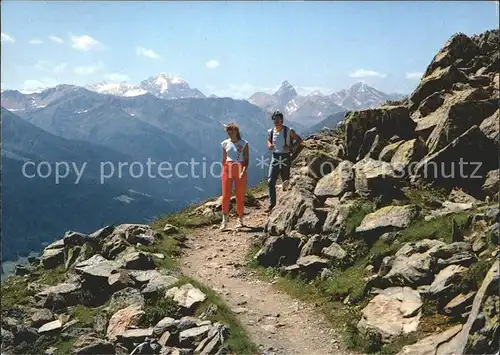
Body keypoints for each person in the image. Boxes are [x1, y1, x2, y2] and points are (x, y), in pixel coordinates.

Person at [266, 110, 302, 212]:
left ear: (282, 119)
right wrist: (269, 145)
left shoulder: (289, 130)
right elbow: (268, 140)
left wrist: (291, 148)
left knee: (285, 181)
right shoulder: (271, 131)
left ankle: (286, 204)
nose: (276, 120)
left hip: (285, 157)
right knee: (270, 181)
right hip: (275, 156)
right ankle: (272, 204)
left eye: (278, 118)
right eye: (275, 119)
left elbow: (299, 140)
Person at [220, 122, 249, 230]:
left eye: (232, 130)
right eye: (228, 131)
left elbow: (246, 160)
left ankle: (240, 219)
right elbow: (224, 159)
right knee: (225, 195)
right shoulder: (224, 143)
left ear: (236, 131)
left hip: (240, 168)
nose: (230, 133)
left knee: (239, 195)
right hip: (227, 168)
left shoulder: (244, 143)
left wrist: (243, 171)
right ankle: (224, 220)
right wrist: (224, 170)